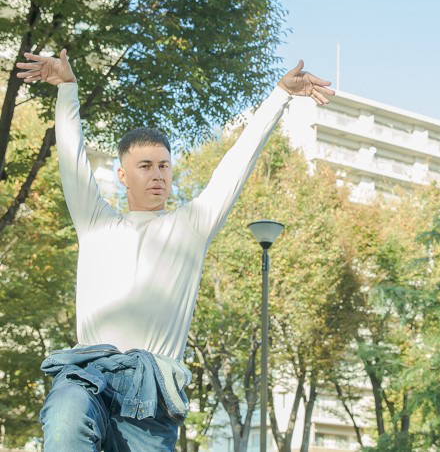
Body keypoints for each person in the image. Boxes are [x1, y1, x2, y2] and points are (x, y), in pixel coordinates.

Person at [16, 49, 334, 451]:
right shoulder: (95, 221)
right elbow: (72, 159)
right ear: (122, 175)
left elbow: (236, 164)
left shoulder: (190, 226)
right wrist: (67, 89)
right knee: (64, 416)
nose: (157, 175)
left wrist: (279, 96)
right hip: (89, 376)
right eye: (145, 166)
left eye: (164, 166)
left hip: (149, 398)